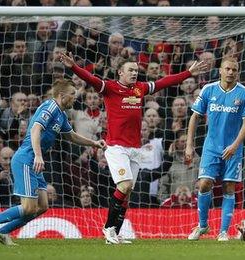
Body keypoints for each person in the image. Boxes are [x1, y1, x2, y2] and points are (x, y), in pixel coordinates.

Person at [60, 51, 208, 244]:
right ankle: (108, 228)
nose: (134, 73)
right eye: (130, 70)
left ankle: (115, 234)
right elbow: (90, 78)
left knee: (126, 193)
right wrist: (73, 67)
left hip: (135, 149)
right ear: (120, 72)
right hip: (116, 148)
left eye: (136, 70)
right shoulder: (110, 87)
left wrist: (188, 73)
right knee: (125, 185)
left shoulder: (140, 88)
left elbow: (165, 82)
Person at [0, 79, 105, 246]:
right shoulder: (50, 106)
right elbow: (36, 128)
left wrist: (93, 143)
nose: (76, 98)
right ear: (62, 95)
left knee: (42, 205)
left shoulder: (61, 114)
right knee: (29, 207)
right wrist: (38, 155)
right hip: (26, 159)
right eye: (73, 94)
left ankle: (2, 232)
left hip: (34, 162)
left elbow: (71, 135)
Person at [186, 57, 245, 241]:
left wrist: (234, 146)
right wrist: (189, 145)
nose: (231, 72)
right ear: (220, 71)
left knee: (229, 187)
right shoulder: (209, 90)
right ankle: (202, 226)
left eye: (234, 69)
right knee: (204, 184)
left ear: (237, 72)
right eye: (227, 69)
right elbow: (195, 117)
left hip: (234, 149)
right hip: (211, 148)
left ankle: (223, 231)